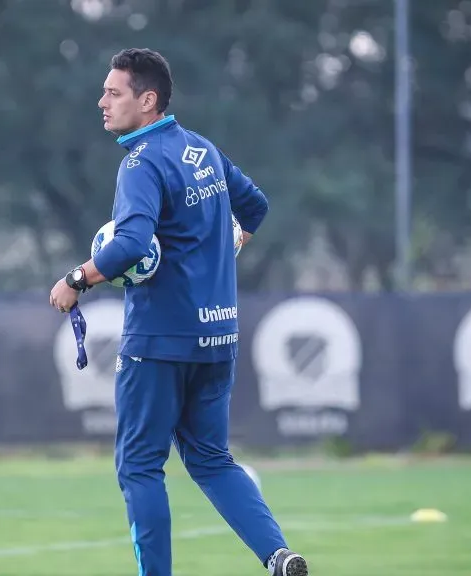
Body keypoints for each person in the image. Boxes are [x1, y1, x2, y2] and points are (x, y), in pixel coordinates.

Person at [49, 48, 308, 576]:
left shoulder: (140, 163)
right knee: (212, 461)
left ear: (148, 101)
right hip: (218, 339)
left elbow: (129, 246)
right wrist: (230, 244)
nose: (101, 101)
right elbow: (255, 206)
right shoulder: (203, 150)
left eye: (113, 92)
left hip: (160, 342)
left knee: (140, 468)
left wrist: (76, 279)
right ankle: (278, 556)